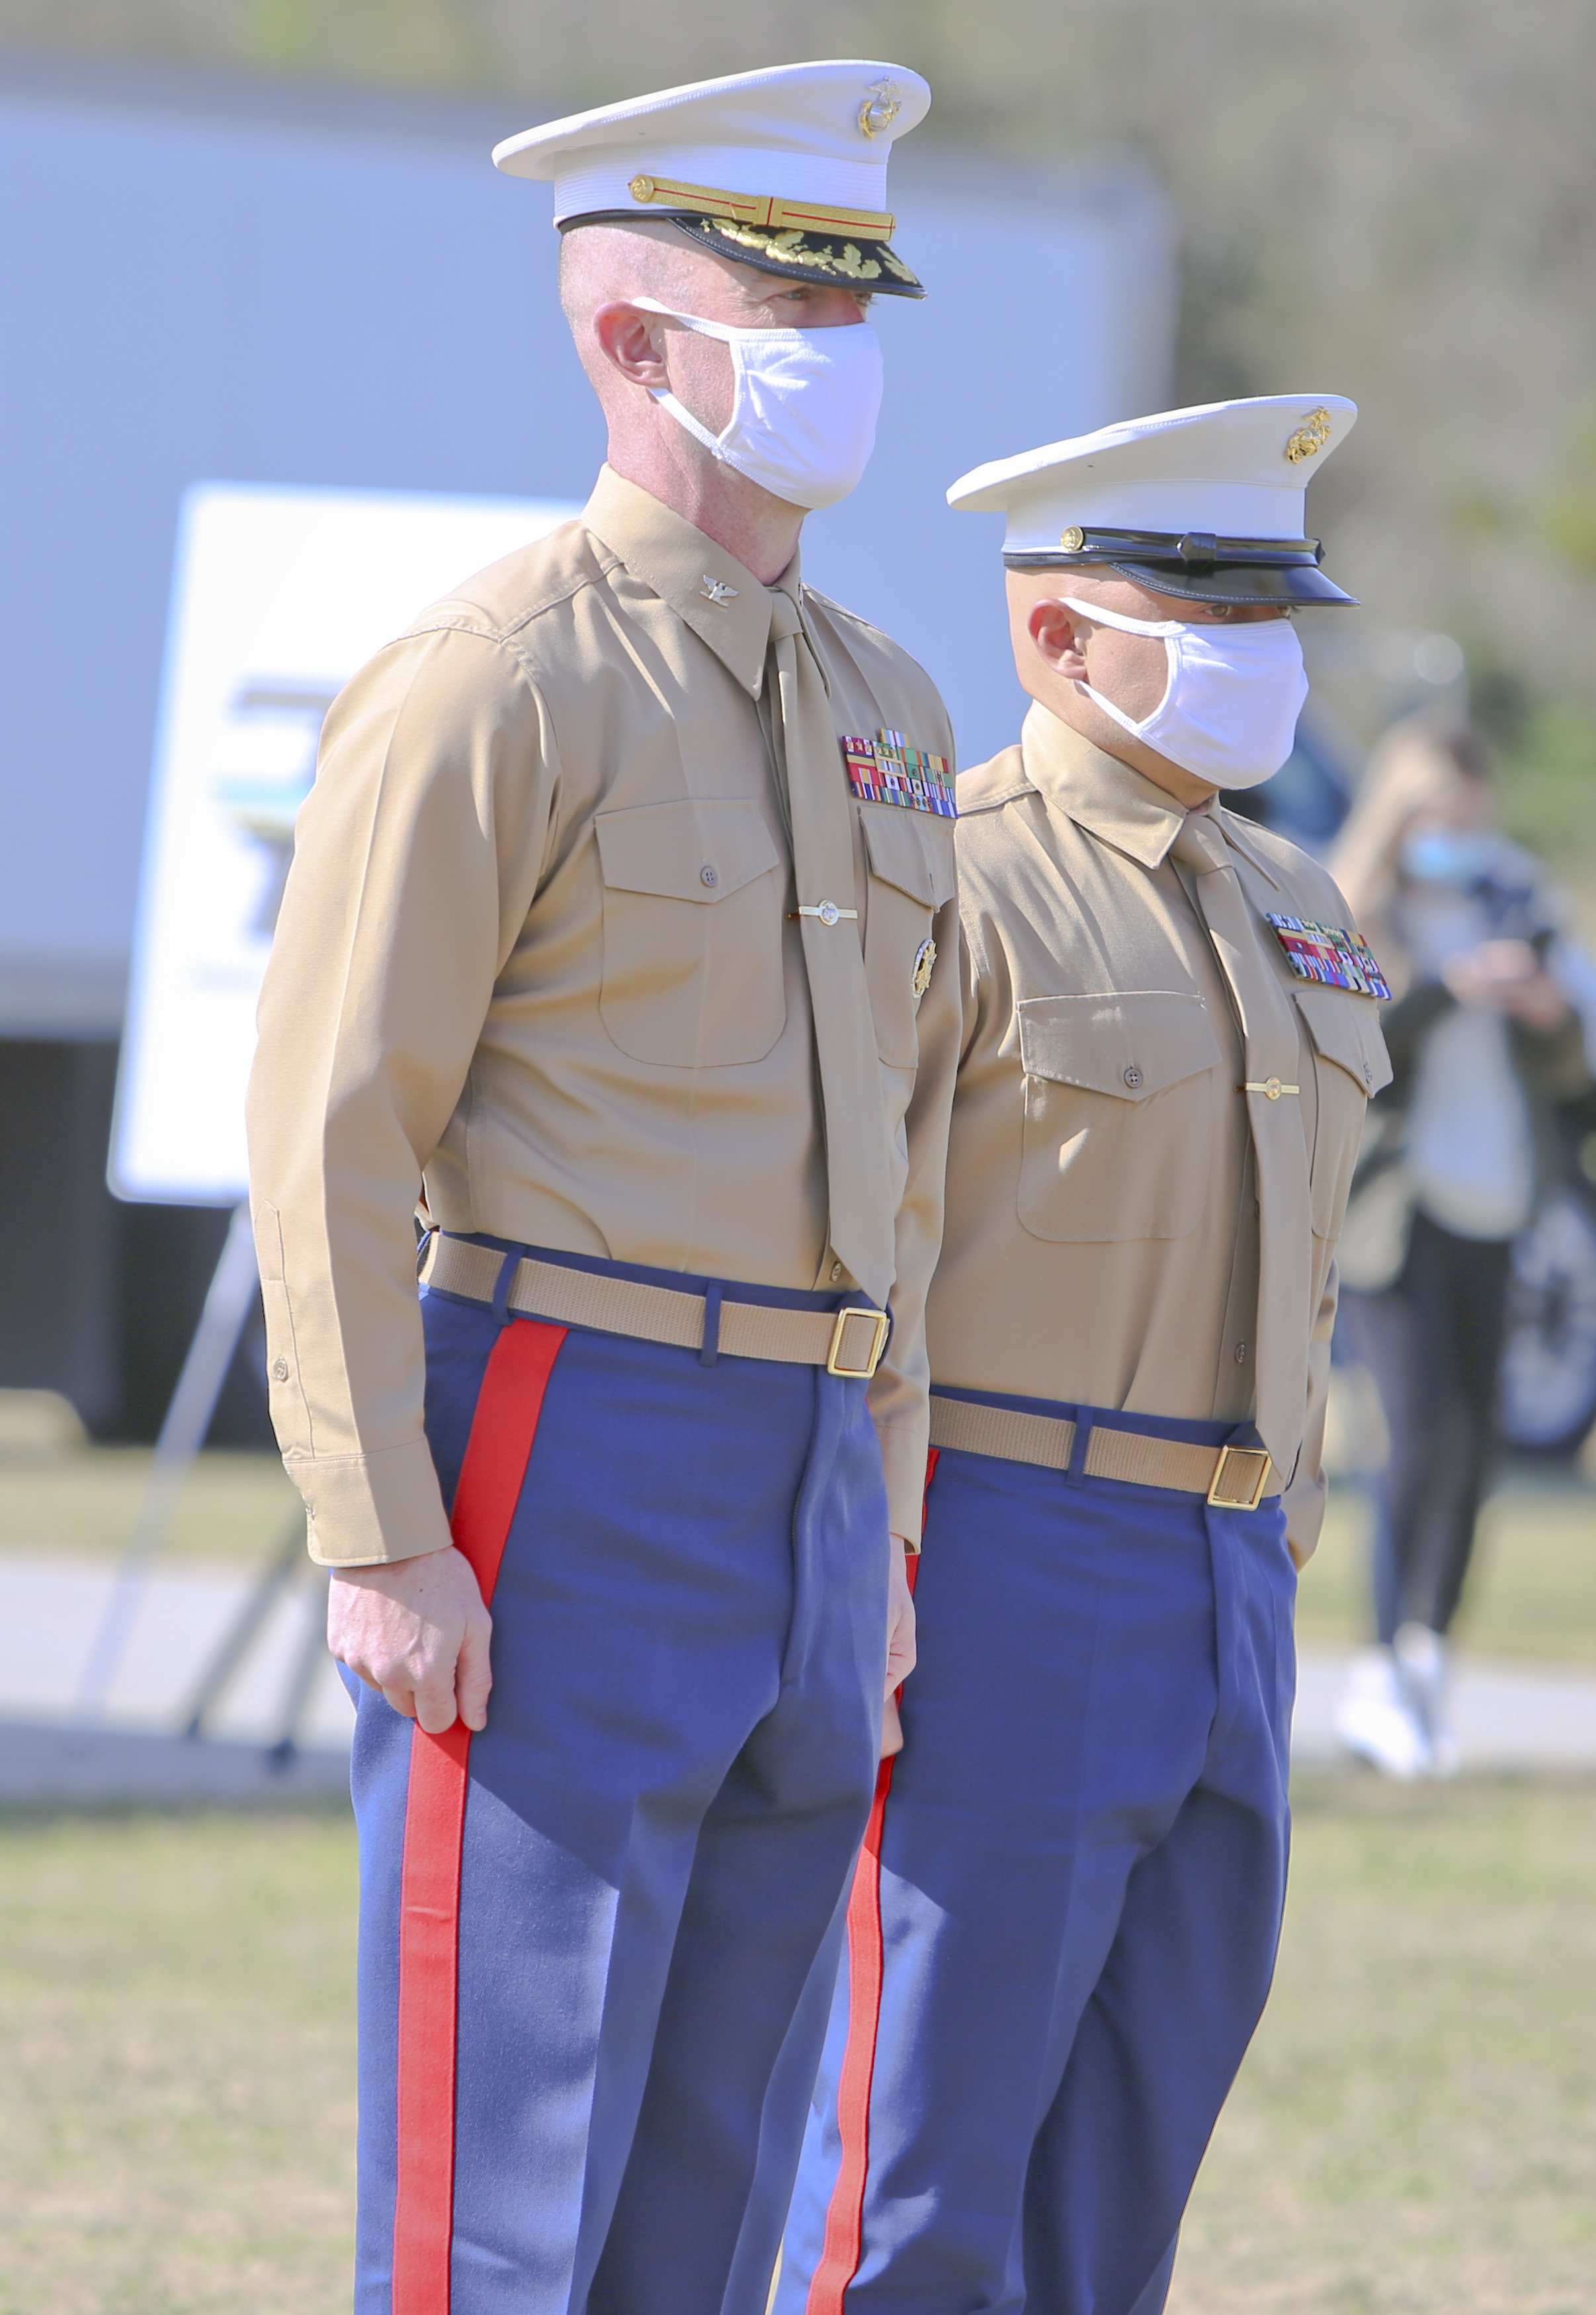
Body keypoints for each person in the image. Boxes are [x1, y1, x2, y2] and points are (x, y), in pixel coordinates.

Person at [245, 61, 960, 2315]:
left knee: (716, 2183)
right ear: (629, 340)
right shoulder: (491, 681)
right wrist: (379, 1531)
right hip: (569, 1432)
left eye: (855, 308)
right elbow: (335, 1128)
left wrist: (891, 1516)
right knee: (510, 2179)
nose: (835, 361)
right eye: (782, 305)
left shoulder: (891, 704)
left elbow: (909, 1153)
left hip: (812, 1474)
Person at [777, 397, 1391, 2315]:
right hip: (996, 1556)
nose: (1258, 659)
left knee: (1123, 2176)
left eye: (1271, 609)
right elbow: (843, 1252)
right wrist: (866, 1557)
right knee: (910, 2178)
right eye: (1205, 610)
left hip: (1226, 1572)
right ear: (1052, 634)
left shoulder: (1297, 907)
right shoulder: (947, 874)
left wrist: (1275, 1524)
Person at [1329, 714, 1589, 1777]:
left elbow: (1573, 1068)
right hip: (1396, 1219)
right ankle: (1384, 1666)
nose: (1454, 831)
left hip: (1498, 1206)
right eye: (1434, 811)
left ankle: (1423, 1663)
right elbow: (1356, 1048)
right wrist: (1445, 991)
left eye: (1467, 812)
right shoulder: (1360, 907)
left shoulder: (1515, 901)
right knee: (1419, 1441)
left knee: (1474, 1451)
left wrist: (1542, 1009)